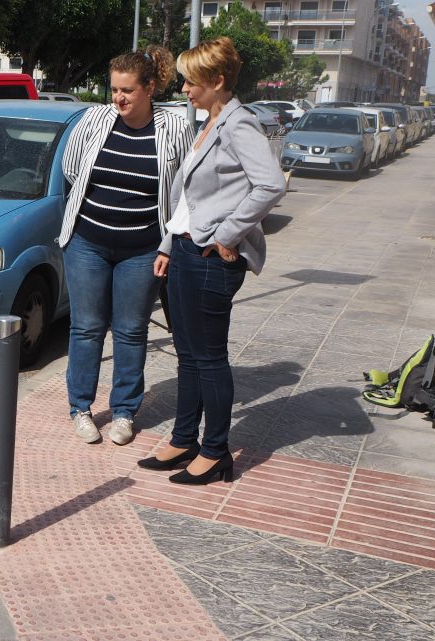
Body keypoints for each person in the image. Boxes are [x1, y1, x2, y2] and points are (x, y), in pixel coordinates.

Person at [138, 37, 286, 484]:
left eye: (190, 80)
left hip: (210, 257)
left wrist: (227, 234)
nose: (183, 88)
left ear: (217, 82)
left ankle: (217, 450)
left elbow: (271, 185)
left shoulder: (239, 124)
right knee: (187, 356)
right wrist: (167, 244)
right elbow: (189, 196)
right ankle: (184, 439)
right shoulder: (209, 121)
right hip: (184, 250)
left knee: (209, 358)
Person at [58, 45, 193, 446]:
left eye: (127, 90)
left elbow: (184, 189)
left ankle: (123, 412)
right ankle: (80, 409)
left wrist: (170, 245)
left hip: (143, 250)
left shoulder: (173, 128)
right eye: (114, 89)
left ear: (149, 88)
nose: (118, 98)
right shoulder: (95, 118)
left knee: (131, 331)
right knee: (86, 329)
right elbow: (71, 167)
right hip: (87, 243)